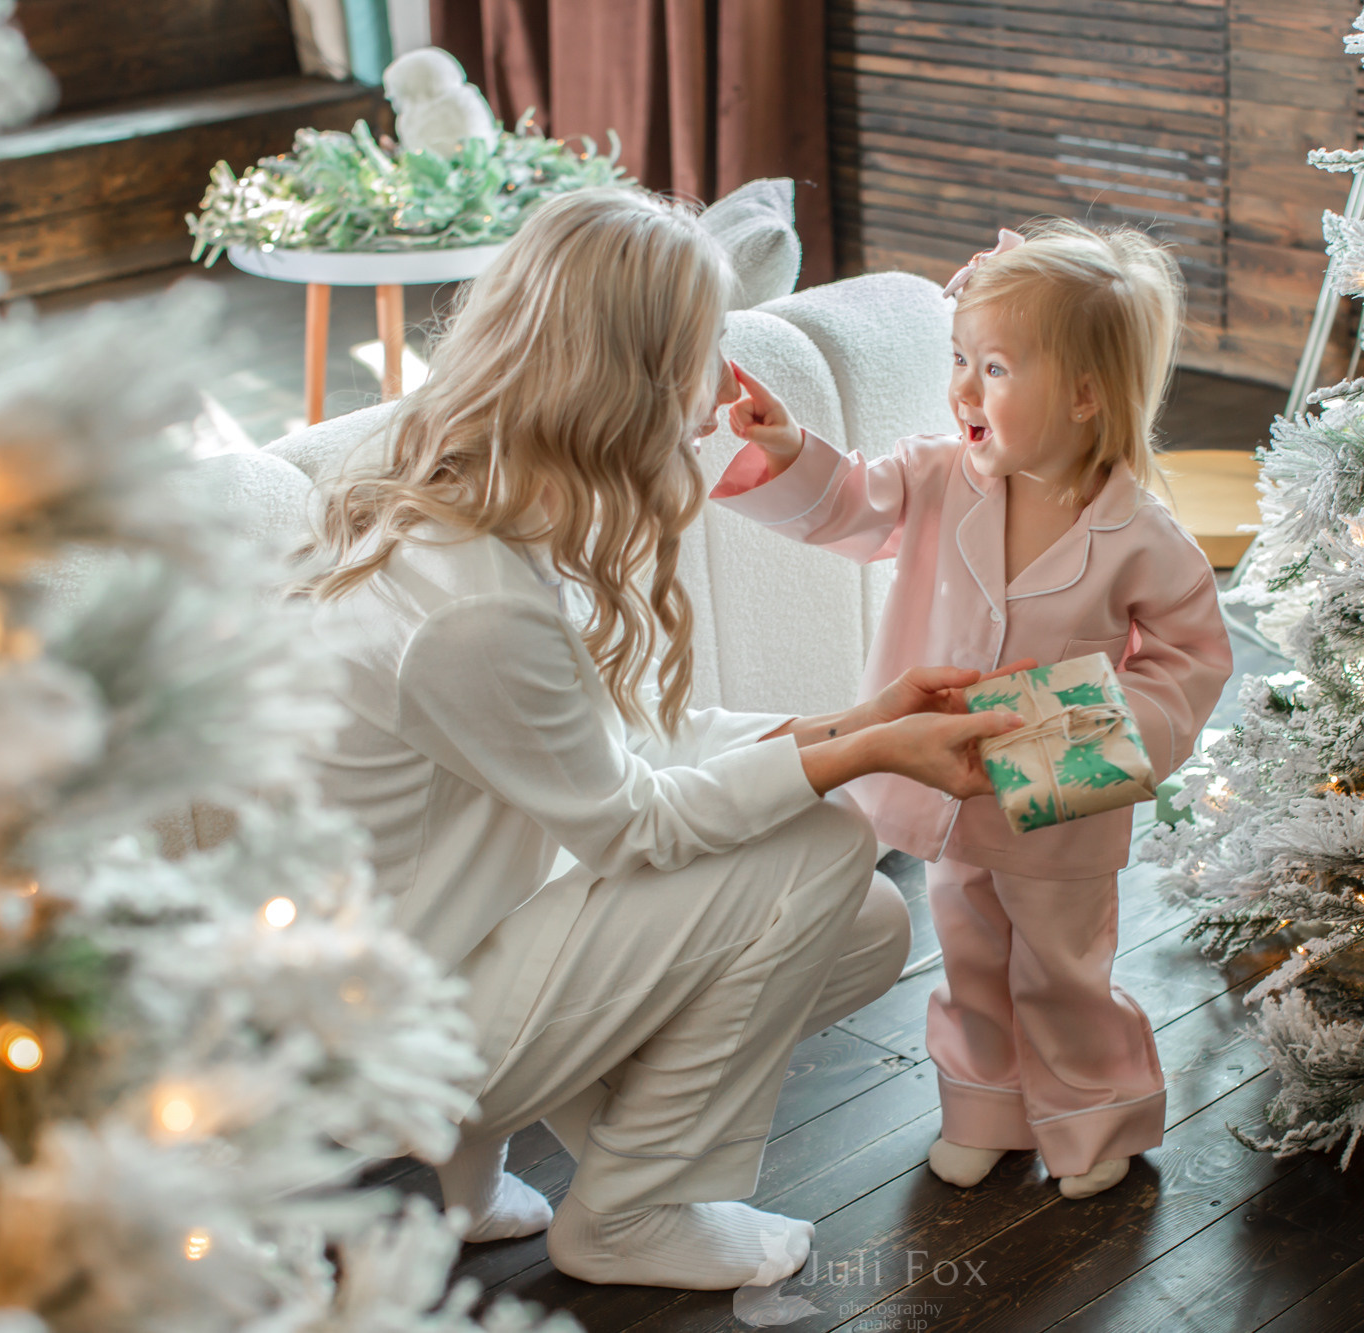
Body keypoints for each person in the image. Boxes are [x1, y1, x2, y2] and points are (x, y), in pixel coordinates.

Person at [298, 186, 1025, 1291]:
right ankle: (631, 1212)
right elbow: (632, 823)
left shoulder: (460, 477)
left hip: (412, 958)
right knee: (829, 842)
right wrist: (858, 756)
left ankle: (476, 1171)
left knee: (864, 923)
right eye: (705, 354)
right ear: (626, 380)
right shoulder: (469, 596)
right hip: (397, 1028)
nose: (723, 390)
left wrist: (863, 718)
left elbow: (620, 739)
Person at [711, 220, 1233, 1200]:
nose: (960, 388)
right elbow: (851, 505)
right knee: (967, 954)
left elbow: (1190, 661)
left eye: (991, 367)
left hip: (1061, 796)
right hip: (947, 789)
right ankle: (983, 1109)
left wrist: (1068, 749)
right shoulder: (936, 477)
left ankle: (1093, 1116)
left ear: (1084, 394)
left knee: (1061, 969)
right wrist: (784, 451)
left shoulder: (1141, 535)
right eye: (958, 359)